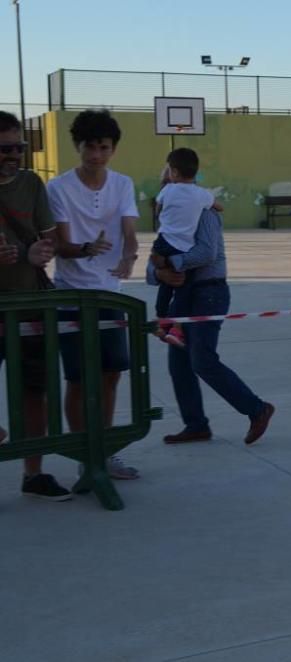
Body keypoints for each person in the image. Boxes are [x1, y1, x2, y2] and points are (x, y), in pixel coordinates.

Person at [48, 109, 140, 480]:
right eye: (89, 146)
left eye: (103, 147)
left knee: (111, 374)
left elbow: (130, 231)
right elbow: (62, 245)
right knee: (78, 378)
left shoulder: (123, 184)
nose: (96, 154)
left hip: (110, 294)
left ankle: (103, 449)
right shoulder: (58, 187)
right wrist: (86, 249)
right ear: (78, 146)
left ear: (113, 150)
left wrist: (130, 255)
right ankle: (84, 450)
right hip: (71, 295)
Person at [149, 207, 275, 445]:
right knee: (178, 364)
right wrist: (160, 273)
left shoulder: (205, 213)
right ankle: (196, 425)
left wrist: (171, 262)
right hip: (181, 297)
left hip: (208, 293)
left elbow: (207, 253)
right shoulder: (171, 219)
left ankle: (257, 409)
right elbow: (153, 260)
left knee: (202, 360)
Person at [0, 110, 73, 500]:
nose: (13, 155)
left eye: (18, 147)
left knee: (35, 391)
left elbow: (50, 241)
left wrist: (39, 250)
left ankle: (34, 474)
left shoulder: (31, 184)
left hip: (30, 304)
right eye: (4, 148)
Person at [152, 147, 223, 347]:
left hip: (163, 242)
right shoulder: (201, 195)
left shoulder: (167, 190)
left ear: (173, 172)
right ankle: (177, 327)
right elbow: (218, 206)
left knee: (166, 281)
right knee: (184, 285)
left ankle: (161, 317)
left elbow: (157, 210)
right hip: (183, 247)